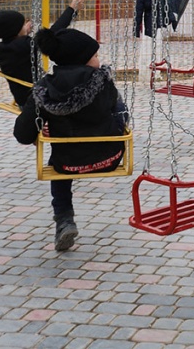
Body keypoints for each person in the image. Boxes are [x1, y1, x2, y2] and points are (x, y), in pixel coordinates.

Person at [13, 28, 129, 251]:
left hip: (68, 164)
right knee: (118, 107)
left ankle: (64, 219)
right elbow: (123, 118)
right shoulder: (104, 83)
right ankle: (64, 221)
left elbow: (22, 134)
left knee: (58, 167)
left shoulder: (44, 90)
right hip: (110, 158)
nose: (99, 61)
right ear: (82, 58)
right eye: (95, 56)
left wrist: (38, 128)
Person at [0, 0, 84, 107]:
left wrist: (23, 33)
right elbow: (52, 33)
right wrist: (71, 10)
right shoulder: (25, 45)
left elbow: (19, 48)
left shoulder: (1, 47)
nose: (26, 26)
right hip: (37, 99)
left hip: (22, 98)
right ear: (16, 30)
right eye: (23, 25)